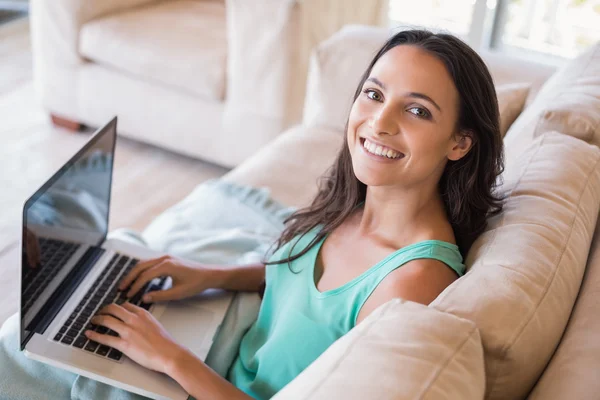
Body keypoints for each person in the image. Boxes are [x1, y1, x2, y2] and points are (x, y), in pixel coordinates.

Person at [5, 29, 505, 399]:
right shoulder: (357, 203)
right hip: (224, 349)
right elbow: (312, 299)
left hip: (212, 384)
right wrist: (209, 276)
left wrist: (168, 357)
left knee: (26, 343)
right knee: (93, 278)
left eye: (417, 110)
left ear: (460, 142)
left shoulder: (412, 282)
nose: (379, 121)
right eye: (373, 94)